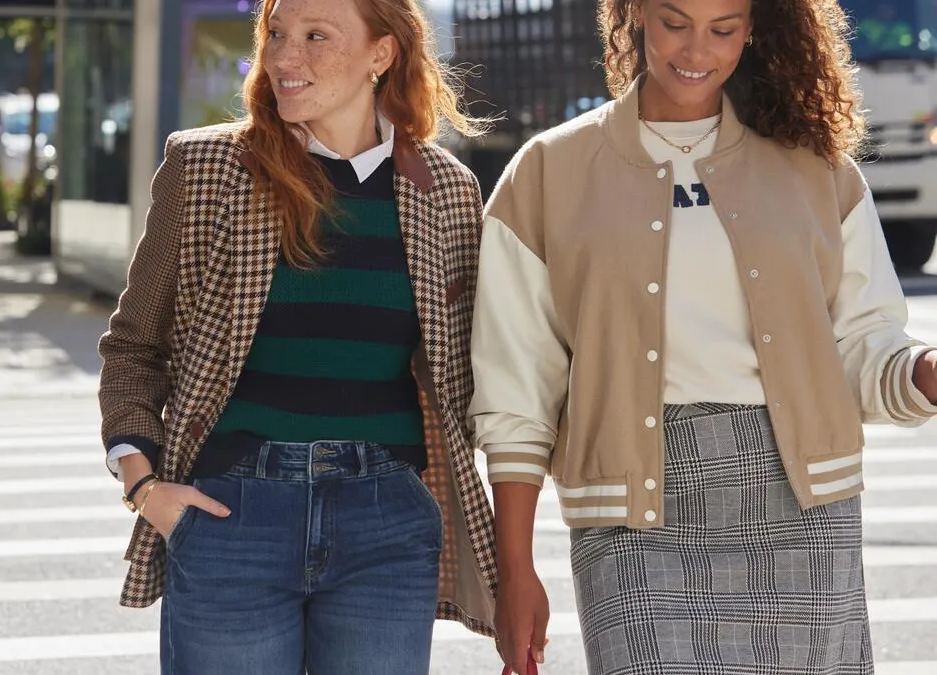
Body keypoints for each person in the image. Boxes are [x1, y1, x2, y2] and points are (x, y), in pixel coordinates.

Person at [468, 0, 937, 673]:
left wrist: (923, 372)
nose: (697, 49)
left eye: (723, 29)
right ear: (633, 17)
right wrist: (514, 572)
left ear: (754, 29)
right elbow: (516, 390)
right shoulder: (548, 173)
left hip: (799, 506)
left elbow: (864, 342)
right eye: (674, 22)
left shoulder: (818, 169)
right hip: (631, 515)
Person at [97, 0, 497, 672]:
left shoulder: (446, 191)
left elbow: (470, 374)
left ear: (382, 53)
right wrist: (145, 487)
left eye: (316, 37)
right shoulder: (206, 169)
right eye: (277, 35)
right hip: (232, 512)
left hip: (387, 522)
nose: (285, 58)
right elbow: (135, 346)